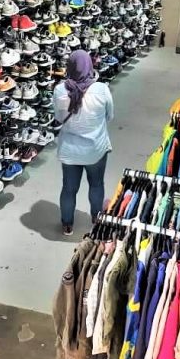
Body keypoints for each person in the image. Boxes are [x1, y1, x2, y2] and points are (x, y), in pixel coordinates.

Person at [53, 49, 114, 235]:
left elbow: (58, 117)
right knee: (96, 184)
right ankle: (96, 218)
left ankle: (67, 224)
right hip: (95, 149)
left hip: (70, 150)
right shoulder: (101, 89)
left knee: (68, 188)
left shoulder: (60, 90)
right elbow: (109, 116)